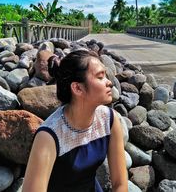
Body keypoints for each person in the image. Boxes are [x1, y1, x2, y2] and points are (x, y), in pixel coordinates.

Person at [22, 49, 128, 192]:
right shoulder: (49, 137)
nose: (109, 82)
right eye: (100, 77)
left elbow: (120, 184)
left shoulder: (109, 119)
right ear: (77, 88)